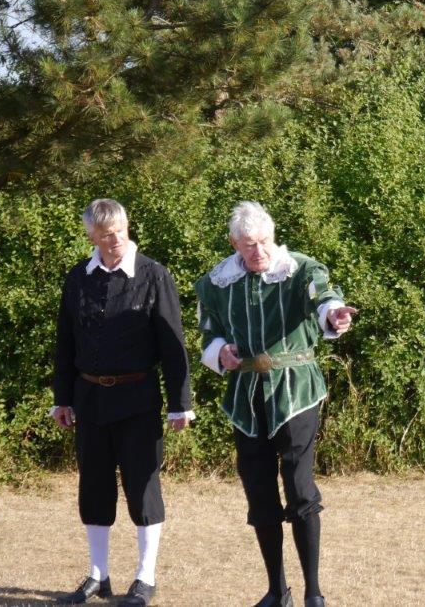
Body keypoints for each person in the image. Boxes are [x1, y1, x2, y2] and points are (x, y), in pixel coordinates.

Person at [195, 201, 357, 607]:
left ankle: (313, 592)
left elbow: (324, 297)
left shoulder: (299, 269)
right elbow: (208, 332)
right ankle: (276, 591)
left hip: (296, 391)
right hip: (246, 397)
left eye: (264, 241)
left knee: (300, 489)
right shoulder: (217, 282)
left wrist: (334, 314)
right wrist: (220, 351)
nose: (259, 251)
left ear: (273, 236)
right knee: (259, 492)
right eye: (249, 244)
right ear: (234, 243)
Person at [52, 198, 193, 606]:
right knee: (94, 487)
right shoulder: (78, 278)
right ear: (91, 237)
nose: (113, 240)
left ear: (127, 228)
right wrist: (62, 398)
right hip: (89, 400)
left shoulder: (154, 275)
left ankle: (145, 577)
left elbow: (173, 345)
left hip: (138, 401)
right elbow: (65, 343)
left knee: (142, 487)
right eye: (104, 235)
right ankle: (98, 575)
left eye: (118, 232)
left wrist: (180, 403)